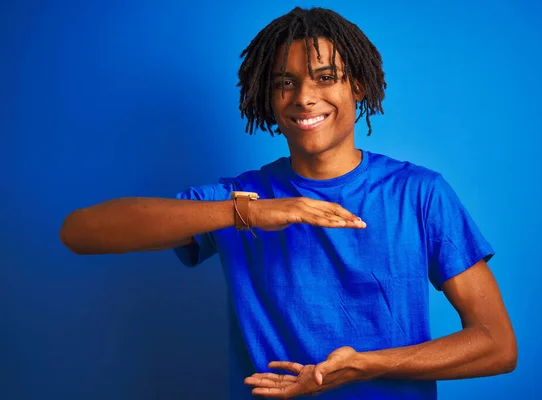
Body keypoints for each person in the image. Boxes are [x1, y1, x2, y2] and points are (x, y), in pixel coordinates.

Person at [60, 6, 517, 400]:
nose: (304, 97)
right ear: (268, 95)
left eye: (325, 78)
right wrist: (248, 213)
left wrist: (366, 365)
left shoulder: (419, 194)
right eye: (285, 82)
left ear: (357, 85)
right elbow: (80, 232)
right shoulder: (242, 198)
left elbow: (496, 344)